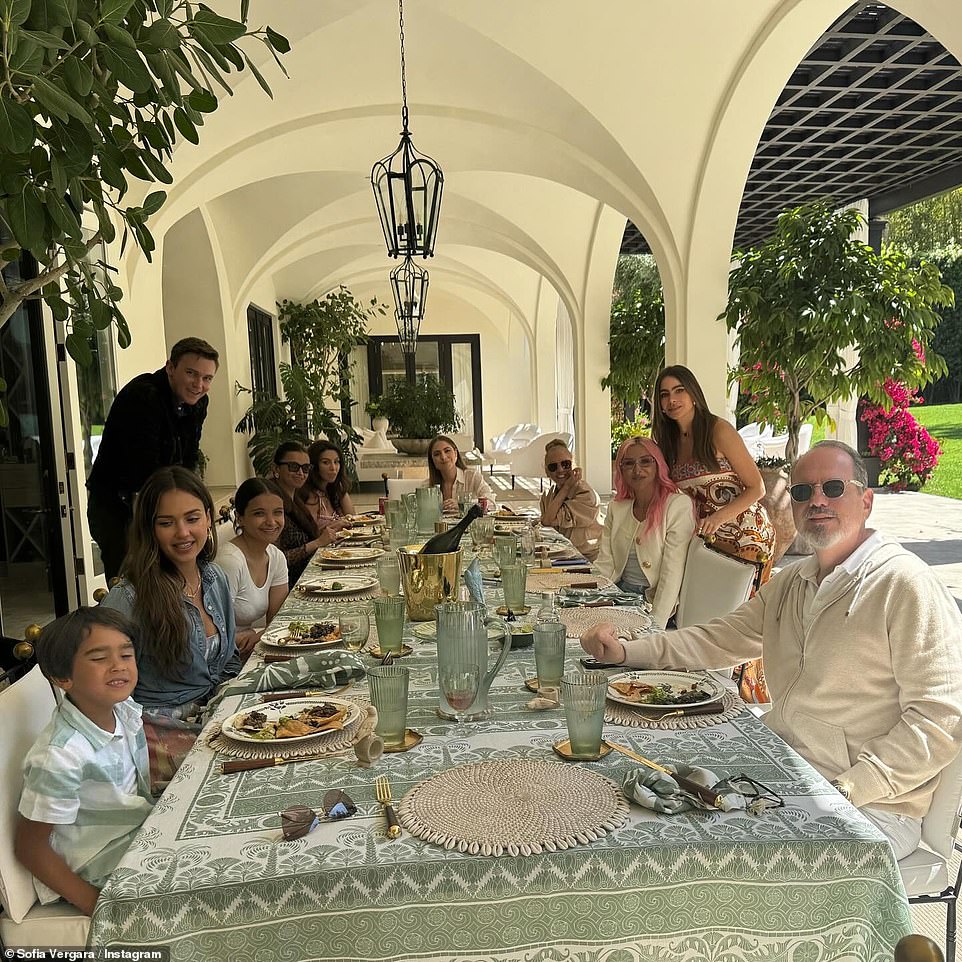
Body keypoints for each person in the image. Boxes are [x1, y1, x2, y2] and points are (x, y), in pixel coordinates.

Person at [582, 441, 962, 859]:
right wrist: (626, 653)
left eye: (833, 488)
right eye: (802, 492)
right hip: (787, 769)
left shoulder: (904, 584)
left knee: (705, 858)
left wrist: (851, 786)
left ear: (866, 500)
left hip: (872, 806)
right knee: (640, 798)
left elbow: (939, 718)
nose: (817, 500)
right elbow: (717, 638)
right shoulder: (794, 580)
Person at [101, 467, 239, 787]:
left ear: (208, 518)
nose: (182, 533)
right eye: (166, 523)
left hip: (213, 719)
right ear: (149, 530)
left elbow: (229, 660)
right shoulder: (130, 598)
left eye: (192, 518)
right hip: (158, 738)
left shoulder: (214, 578)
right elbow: (100, 688)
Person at [15, 607, 153, 916]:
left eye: (126, 655)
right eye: (99, 658)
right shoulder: (60, 757)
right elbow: (29, 847)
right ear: (62, 677)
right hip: (102, 863)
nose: (118, 667)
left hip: (137, 833)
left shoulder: (122, 710)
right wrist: (96, 905)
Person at [653, 364, 776, 699]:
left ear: (693, 394)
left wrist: (720, 517)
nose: (672, 400)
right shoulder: (667, 442)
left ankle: (739, 693)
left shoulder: (718, 430)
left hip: (744, 536)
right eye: (664, 394)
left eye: (679, 390)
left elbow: (757, 488)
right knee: (704, 614)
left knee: (737, 617)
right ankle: (704, 685)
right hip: (704, 540)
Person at [87, 337, 219, 581]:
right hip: (118, 506)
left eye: (207, 378)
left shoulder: (198, 401)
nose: (198, 384)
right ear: (171, 368)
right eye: (191, 373)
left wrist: (193, 499)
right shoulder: (144, 396)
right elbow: (145, 469)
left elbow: (189, 457)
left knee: (172, 578)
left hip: (159, 501)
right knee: (131, 583)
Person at [595, 437, 695, 628]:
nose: (637, 470)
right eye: (629, 463)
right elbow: (605, 564)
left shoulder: (677, 505)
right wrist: (592, 601)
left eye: (645, 461)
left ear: (658, 465)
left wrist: (655, 626)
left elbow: (672, 572)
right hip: (618, 596)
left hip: (651, 602)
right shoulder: (617, 507)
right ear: (621, 470)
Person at [217, 478, 289, 657]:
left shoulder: (276, 556)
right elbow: (211, 633)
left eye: (277, 513)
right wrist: (253, 635)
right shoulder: (230, 562)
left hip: (251, 645)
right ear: (240, 518)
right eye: (259, 514)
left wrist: (262, 634)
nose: (271, 522)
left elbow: (278, 620)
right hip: (227, 654)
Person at [273, 442, 335, 588]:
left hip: (310, 574)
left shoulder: (296, 500)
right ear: (276, 469)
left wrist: (333, 528)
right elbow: (275, 559)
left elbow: (307, 538)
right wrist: (317, 543)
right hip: (290, 583)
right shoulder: (272, 503)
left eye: (306, 468)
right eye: (293, 467)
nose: (301, 473)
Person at [538, 439, 604, 561]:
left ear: (573, 465)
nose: (560, 470)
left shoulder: (586, 495)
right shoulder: (548, 495)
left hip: (586, 559)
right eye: (553, 467)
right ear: (547, 472)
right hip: (560, 556)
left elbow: (548, 520)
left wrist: (567, 487)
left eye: (565, 464)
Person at [297, 440, 356, 535]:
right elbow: (310, 534)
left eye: (336, 462)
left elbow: (353, 519)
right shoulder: (309, 495)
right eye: (326, 462)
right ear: (313, 465)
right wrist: (336, 525)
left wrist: (341, 490)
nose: (333, 468)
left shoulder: (334, 491)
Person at [424, 434, 494, 513]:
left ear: (455, 454)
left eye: (447, 451)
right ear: (432, 461)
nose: (443, 457)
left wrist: (463, 505)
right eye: (437, 454)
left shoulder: (472, 476)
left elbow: (491, 502)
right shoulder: (427, 486)